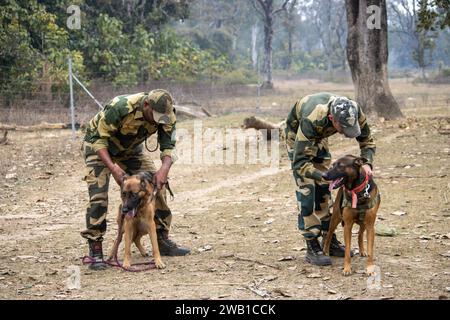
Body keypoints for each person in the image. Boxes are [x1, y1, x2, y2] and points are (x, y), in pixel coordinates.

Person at [81, 89, 190, 270]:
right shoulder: (121, 106)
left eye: (161, 118)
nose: (158, 121)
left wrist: (164, 169)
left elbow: (169, 145)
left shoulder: (167, 114)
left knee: (156, 185)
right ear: (146, 105)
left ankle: (161, 238)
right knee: (98, 197)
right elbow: (98, 139)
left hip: (130, 150)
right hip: (99, 148)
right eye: (154, 116)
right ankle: (95, 248)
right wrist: (114, 168)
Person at [285, 92, 376, 266]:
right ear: (331, 119)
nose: (347, 133)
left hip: (319, 136)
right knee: (307, 191)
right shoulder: (312, 119)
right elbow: (300, 163)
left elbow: (367, 142)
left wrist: (367, 163)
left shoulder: (353, 111)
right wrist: (324, 176)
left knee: (324, 192)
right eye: (343, 129)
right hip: (299, 136)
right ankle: (312, 244)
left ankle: (329, 239)